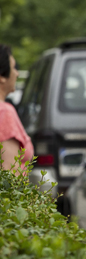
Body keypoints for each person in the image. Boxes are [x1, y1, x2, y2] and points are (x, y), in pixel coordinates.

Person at [0, 44, 33, 175]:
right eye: (14, 68)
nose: (17, 73)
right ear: (1, 76)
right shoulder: (4, 112)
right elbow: (9, 174)